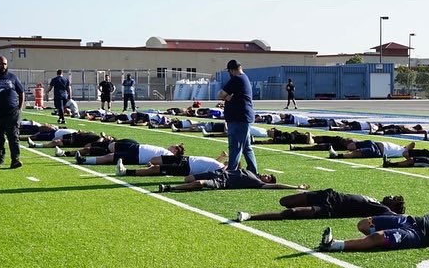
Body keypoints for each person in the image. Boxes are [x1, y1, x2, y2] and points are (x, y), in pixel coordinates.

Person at [317, 211, 429, 252]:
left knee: (377, 236)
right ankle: (375, 241)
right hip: (408, 220)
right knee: (364, 224)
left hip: (417, 236)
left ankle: (334, 245)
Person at [237, 190, 405, 222]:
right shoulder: (377, 201)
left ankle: (250, 216)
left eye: (393, 199)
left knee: (292, 212)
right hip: (330, 195)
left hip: (332, 209)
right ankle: (250, 216)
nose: (390, 196)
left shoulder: (384, 210)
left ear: (393, 206)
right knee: (285, 201)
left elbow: (400, 218)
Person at [218, 59, 258, 173]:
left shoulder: (237, 79)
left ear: (231, 70)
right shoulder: (244, 78)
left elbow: (220, 94)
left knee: (235, 146)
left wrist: (226, 97)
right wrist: (228, 97)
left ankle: (231, 173)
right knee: (246, 147)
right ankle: (253, 171)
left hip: (238, 118)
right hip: (243, 117)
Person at [157, 168, 306, 193]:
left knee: (199, 184)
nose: (267, 175)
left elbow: (277, 186)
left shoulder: (258, 183)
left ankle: (171, 188)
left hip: (222, 182)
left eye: (269, 178)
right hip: (217, 173)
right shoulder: (253, 172)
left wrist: (295, 187)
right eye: (268, 175)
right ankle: (178, 184)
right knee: (189, 178)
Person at [118, 153, 227, 178]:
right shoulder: (218, 164)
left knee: (156, 169)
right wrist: (220, 157)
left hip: (185, 168)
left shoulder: (221, 170)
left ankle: (125, 172)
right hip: (185, 158)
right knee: (158, 159)